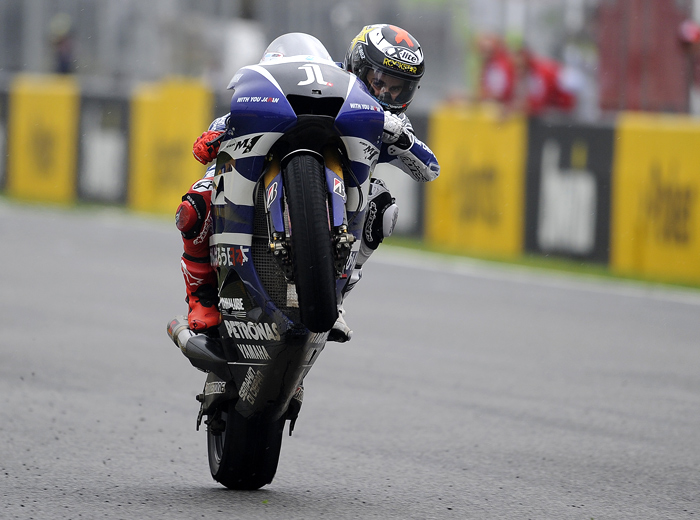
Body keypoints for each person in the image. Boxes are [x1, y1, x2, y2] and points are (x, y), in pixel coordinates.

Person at [176, 24, 440, 342]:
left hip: (342, 190)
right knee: (195, 204)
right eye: (380, 80)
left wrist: (401, 136)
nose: (387, 94)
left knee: (383, 206)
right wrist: (221, 127)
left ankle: (337, 292)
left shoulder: (392, 117)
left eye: (400, 88)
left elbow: (430, 170)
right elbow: (252, 104)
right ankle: (200, 296)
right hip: (266, 153)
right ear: (357, 65)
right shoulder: (325, 78)